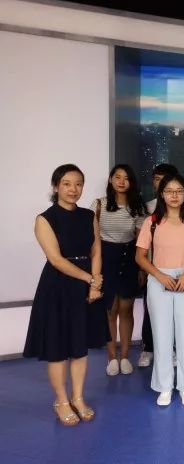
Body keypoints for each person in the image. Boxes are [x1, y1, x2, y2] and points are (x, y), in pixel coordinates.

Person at [24, 164, 106, 426]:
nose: (73, 189)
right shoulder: (45, 219)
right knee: (57, 347)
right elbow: (56, 260)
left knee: (80, 347)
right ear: (56, 186)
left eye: (78, 184)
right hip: (58, 286)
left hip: (86, 284)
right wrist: (90, 279)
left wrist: (95, 284)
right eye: (67, 184)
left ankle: (78, 397)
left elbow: (96, 250)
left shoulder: (89, 215)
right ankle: (61, 400)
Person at [135, 174, 184, 407]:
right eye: (169, 191)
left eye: (179, 191)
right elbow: (140, 256)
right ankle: (164, 386)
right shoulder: (152, 222)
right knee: (161, 334)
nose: (174, 195)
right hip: (159, 280)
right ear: (161, 194)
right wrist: (160, 276)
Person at [92, 164, 147, 377]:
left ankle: (124, 356)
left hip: (128, 259)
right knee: (110, 310)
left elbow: (141, 242)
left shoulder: (137, 207)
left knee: (126, 309)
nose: (122, 181)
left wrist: (141, 268)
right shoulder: (99, 204)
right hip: (105, 259)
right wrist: (94, 271)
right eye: (118, 177)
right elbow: (93, 239)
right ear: (111, 179)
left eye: (126, 178)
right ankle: (111, 358)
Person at [139, 163, 178, 368]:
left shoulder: (183, 210)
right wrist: (144, 269)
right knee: (151, 311)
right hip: (152, 269)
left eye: (164, 179)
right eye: (156, 179)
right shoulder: (147, 208)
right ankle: (148, 348)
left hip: (178, 269)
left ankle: (172, 349)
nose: (160, 182)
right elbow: (141, 245)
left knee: (174, 314)